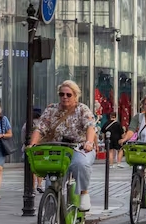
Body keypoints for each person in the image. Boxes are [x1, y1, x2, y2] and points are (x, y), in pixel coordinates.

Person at [28, 80, 98, 211]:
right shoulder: (51, 109)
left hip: (78, 147)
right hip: (57, 149)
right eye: (62, 94)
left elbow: (90, 126)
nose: (64, 97)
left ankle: (84, 193)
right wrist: (32, 144)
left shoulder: (82, 109)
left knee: (80, 164)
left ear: (75, 96)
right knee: (51, 181)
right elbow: (40, 128)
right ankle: (50, 211)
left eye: (68, 94)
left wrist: (89, 142)